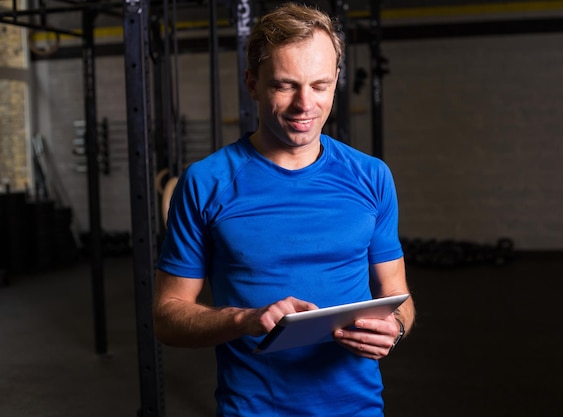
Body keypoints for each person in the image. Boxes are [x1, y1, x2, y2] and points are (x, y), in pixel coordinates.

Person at [153, 3, 415, 416]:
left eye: (320, 85)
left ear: (336, 83)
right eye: (285, 85)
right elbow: (167, 318)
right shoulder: (207, 182)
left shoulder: (372, 176)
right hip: (253, 409)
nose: (304, 104)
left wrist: (395, 327)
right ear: (252, 83)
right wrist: (244, 320)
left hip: (358, 407)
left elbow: (396, 294)